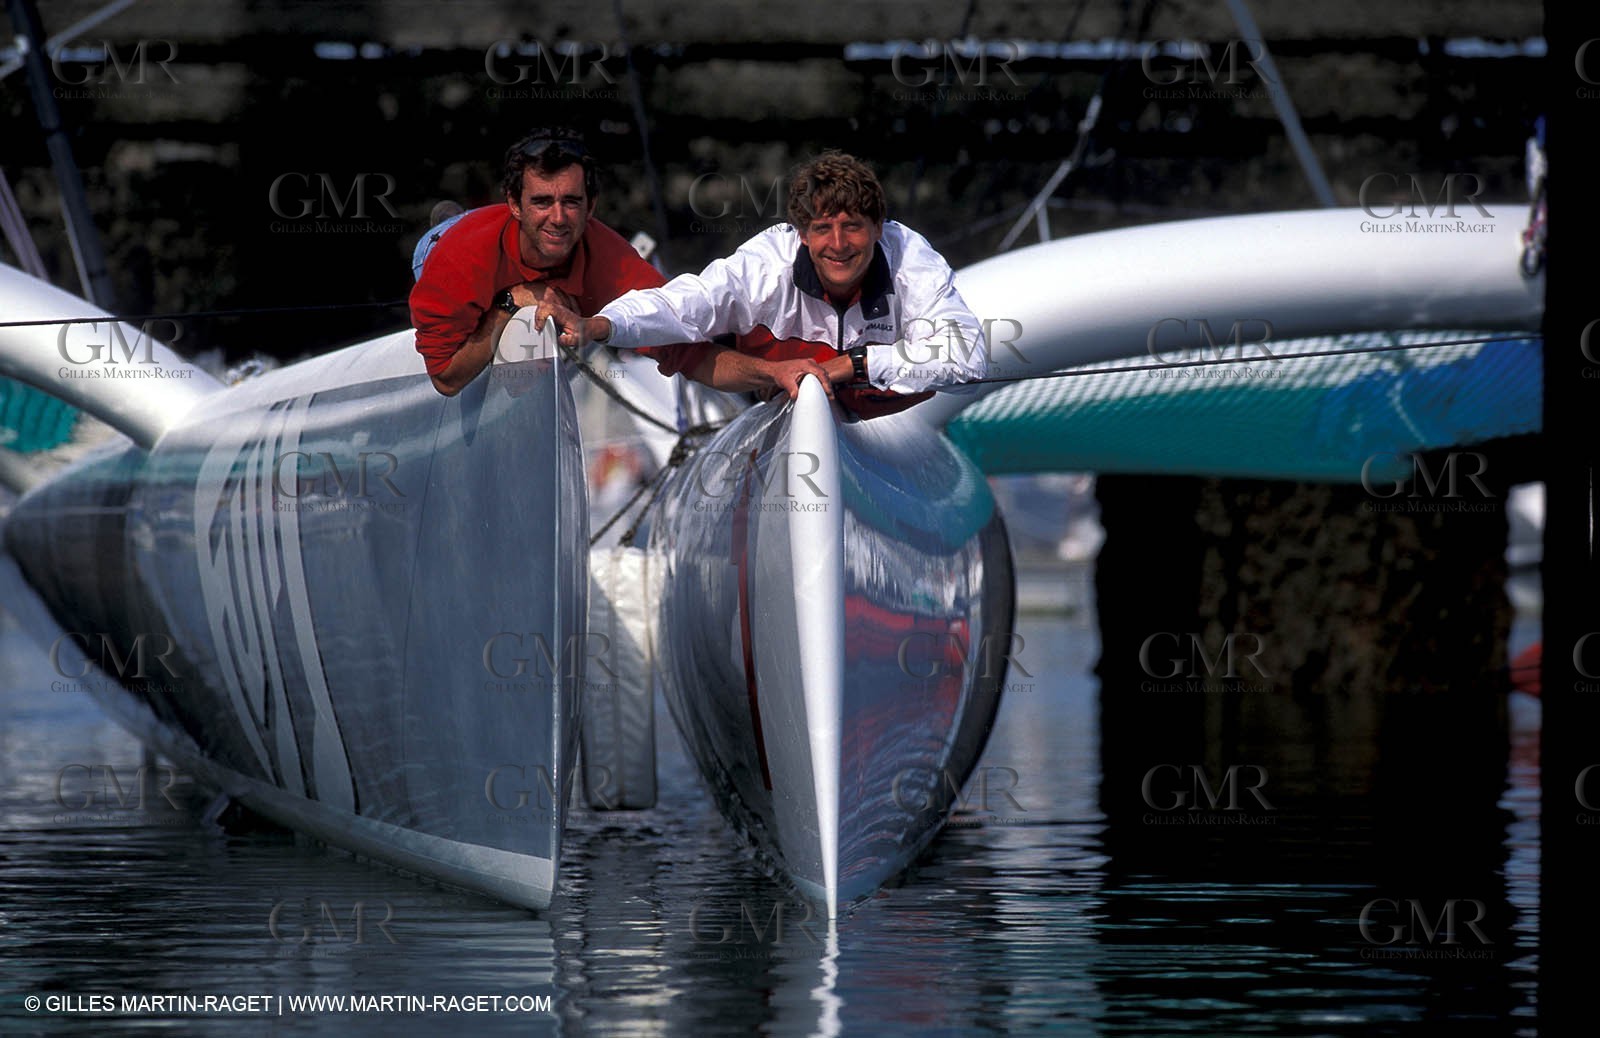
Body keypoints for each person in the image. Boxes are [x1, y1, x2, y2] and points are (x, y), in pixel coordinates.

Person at [546, 151, 987, 417]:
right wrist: (598, 325)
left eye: (852, 227)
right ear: (800, 233)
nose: (837, 245)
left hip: (882, 418)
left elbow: (968, 353)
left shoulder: (911, 258)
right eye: (821, 228)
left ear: (878, 227)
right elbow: (686, 305)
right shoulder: (766, 263)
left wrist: (853, 365)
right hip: (768, 404)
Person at [409, 128, 700, 396]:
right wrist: (510, 302)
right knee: (445, 246)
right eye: (543, 202)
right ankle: (450, 223)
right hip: (448, 244)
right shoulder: (459, 257)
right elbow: (446, 379)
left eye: (572, 202)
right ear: (515, 203)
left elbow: (680, 322)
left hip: (497, 233)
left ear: (591, 206)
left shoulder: (611, 257)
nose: (559, 218)